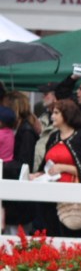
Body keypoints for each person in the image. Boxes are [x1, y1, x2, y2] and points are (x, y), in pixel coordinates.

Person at [33, 99, 81, 237]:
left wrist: (64, 167)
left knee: (71, 235)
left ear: (67, 115)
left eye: (56, 113)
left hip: (72, 198)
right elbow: (45, 165)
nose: (52, 116)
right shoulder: (53, 137)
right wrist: (38, 174)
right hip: (50, 197)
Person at [1, 92, 41, 233]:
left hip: (20, 199)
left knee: (17, 235)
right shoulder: (19, 130)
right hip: (14, 193)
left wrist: (3, 166)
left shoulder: (26, 132)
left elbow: (24, 164)